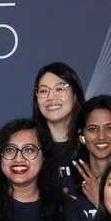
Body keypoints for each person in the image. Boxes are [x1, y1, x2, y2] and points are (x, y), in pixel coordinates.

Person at [32, 62, 85, 191]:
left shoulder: (94, 142)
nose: (51, 97)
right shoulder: (29, 148)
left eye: (60, 89)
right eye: (43, 91)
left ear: (75, 93)